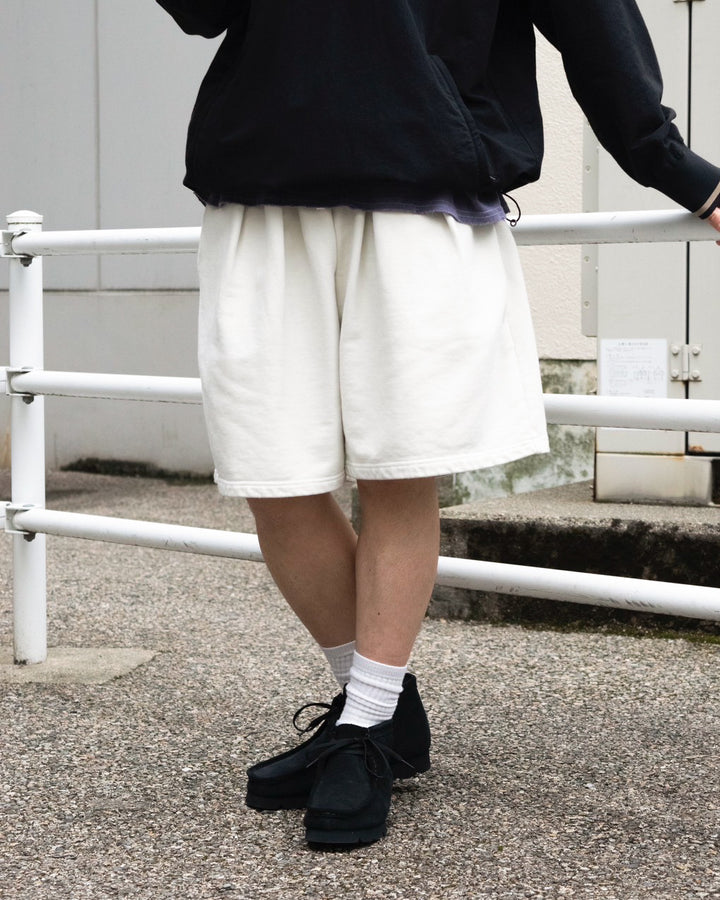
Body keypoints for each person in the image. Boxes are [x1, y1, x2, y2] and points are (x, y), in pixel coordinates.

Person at [155, 0, 720, 848]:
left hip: (422, 192)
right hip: (258, 180)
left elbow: (591, 17)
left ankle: (365, 725)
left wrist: (678, 168)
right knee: (273, 476)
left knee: (398, 470)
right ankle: (379, 709)